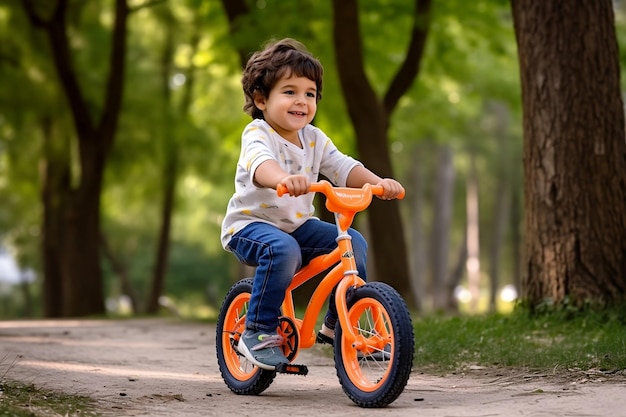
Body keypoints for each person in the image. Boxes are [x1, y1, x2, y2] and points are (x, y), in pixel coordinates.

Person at [220, 38, 404, 370]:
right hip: (249, 227)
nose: (301, 101)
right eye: (289, 92)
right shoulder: (258, 133)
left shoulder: (314, 138)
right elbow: (260, 165)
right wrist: (281, 179)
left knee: (353, 243)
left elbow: (344, 167)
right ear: (262, 99)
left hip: (297, 226)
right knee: (284, 249)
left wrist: (377, 183)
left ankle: (337, 326)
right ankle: (258, 332)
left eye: (309, 94)